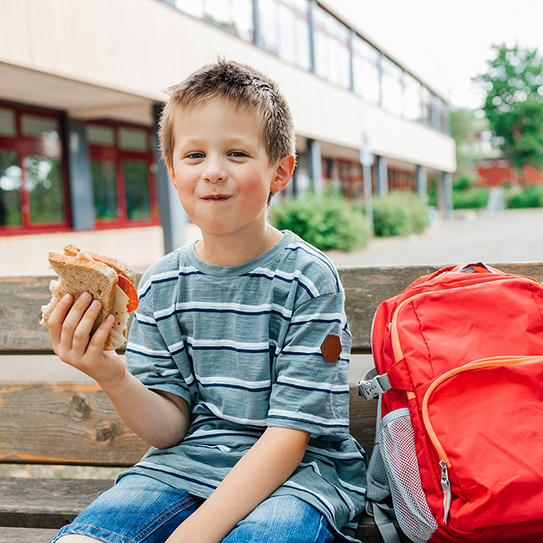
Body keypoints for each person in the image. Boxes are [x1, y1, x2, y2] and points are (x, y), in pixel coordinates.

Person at [47, 59, 367, 543]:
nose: (213, 171)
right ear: (173, 172)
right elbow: (168, 428)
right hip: (183, 466)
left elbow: (288, 440)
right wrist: (110, 372)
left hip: (299, 476)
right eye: (194, 155)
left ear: (280, 171)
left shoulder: (307, 279)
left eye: (236, 153)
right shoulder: (159, 284)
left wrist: (195, 533)